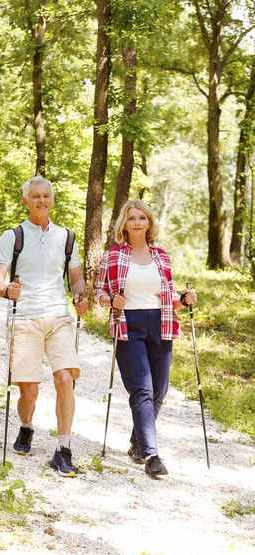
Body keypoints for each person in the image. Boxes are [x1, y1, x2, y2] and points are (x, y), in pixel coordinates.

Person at [0, 176, 88, 477]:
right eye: (35, 196)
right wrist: (6, 290)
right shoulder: (13, 236)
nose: (41, 201)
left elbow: (76, 279)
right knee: (29, 392)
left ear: (53, 200)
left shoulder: (67, 237)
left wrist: (80, 295)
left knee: (64, 379)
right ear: (26, 201)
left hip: (59, 316)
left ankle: (63, 449)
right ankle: (26, 427)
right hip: (25, 319)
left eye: (46, 196)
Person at [95, 200, 197, 478]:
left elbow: (170, 299)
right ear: (124, 225)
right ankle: (152, 456)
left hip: (160, 325)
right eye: (132, 218)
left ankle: (137, 443)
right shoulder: (112, 256)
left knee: (158, 392)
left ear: (149, 222)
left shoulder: (162, 257)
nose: (137, 222)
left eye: (142, 218)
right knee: (141, 390)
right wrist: (109, 301)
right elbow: (99, 293)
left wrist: (184, 300)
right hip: (128, 325)